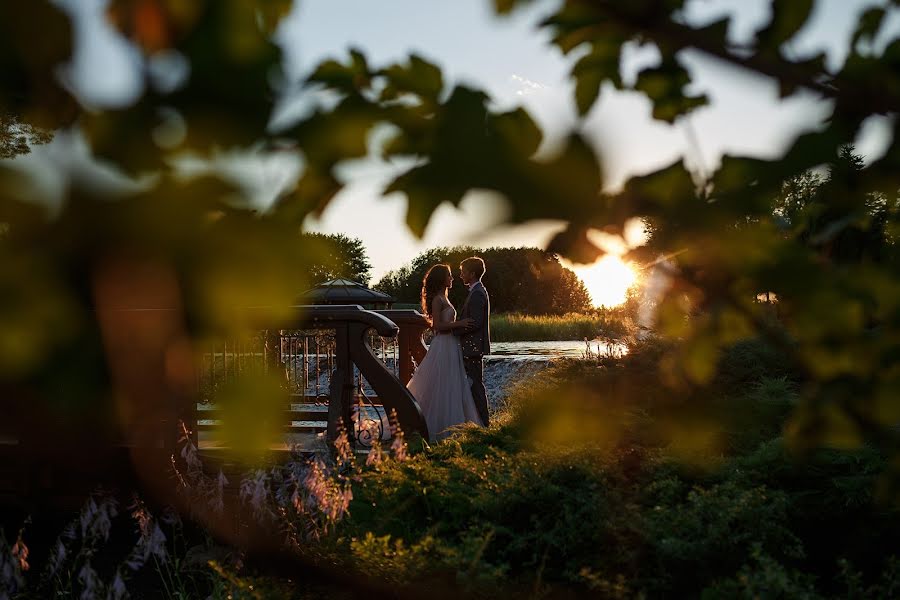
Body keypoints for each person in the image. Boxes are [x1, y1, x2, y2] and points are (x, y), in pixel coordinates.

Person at [406, 264, 484, 441]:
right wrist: (460, 324)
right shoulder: (437, 300)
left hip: (451, 345)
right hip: (443, 346)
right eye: (449, 275)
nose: (452, 278)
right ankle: (437, 427)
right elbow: (436, 327)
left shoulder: (444, 297)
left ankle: (455, 425)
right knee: (441, 384)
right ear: (442, 279)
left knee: (452, 384)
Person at [456, 256, 491, 426]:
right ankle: (475, 422)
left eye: (463, 272)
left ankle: (484, 424)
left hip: (472, 348)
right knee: (472, 386)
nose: (460, 275)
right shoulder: (476, 291)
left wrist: (453, 330)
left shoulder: (477, 293)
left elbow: (475, 322)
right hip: (471, 348)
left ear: (472, 273)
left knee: (476, 386)